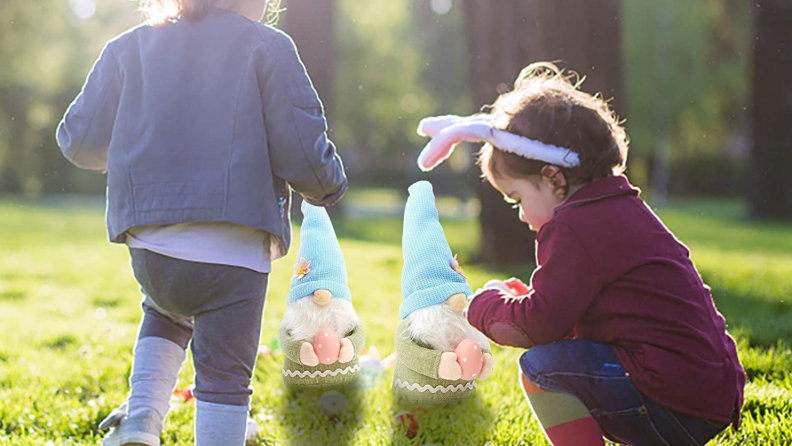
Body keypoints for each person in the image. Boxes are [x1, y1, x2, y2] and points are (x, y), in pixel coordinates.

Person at [56, 0, 347, 444]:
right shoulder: (268, 47)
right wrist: (328, 187)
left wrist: (131, 152)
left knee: (165, 313)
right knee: (225, 371)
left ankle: (141, 420)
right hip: (234, 249)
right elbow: (301, 148)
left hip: (153, 250)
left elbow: (79, 139)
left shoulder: (128, 47)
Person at [415, 62, 745, 446]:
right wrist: (525, 301)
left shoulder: (575, 225)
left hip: (673, 403)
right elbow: (596, 312)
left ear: (554, 179)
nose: (521, 214)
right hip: (702, 394)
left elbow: (539, 326)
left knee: (542, 368)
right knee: (556, 358)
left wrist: (481, 305)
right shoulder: (614, 207)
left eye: (518, 198)